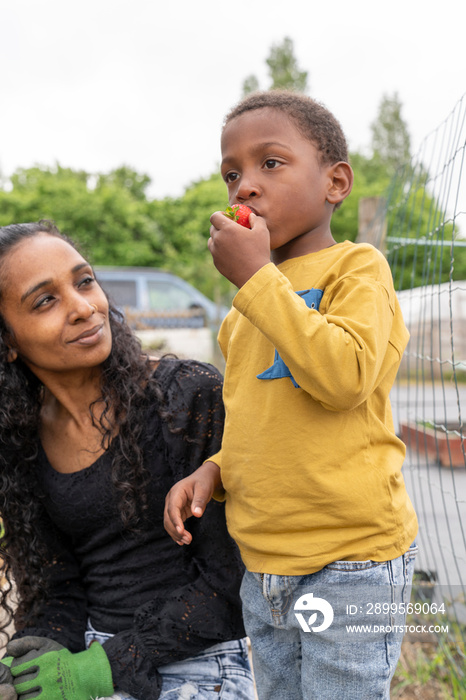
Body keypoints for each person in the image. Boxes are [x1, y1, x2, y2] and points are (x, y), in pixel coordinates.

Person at [164, 91, 419, 700]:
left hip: (352, 559)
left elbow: (343, 377)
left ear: (335, 182)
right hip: (267, 563)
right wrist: (214, 470)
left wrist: (256, 280)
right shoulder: (241, 315)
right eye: (232, 174)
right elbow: (259, 420)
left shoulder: (357, 269)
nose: (245, 186)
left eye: (269, 164)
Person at [0, 220, 255, 700]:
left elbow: (234, 583)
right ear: (8, 342)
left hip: (199, 663)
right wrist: (39, 652)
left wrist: (106, 667)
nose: (83, 308)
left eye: (84, 281)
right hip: (89, 658)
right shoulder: (20, 442)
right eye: (45, 300)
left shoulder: (184, 398)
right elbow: (60, 585)